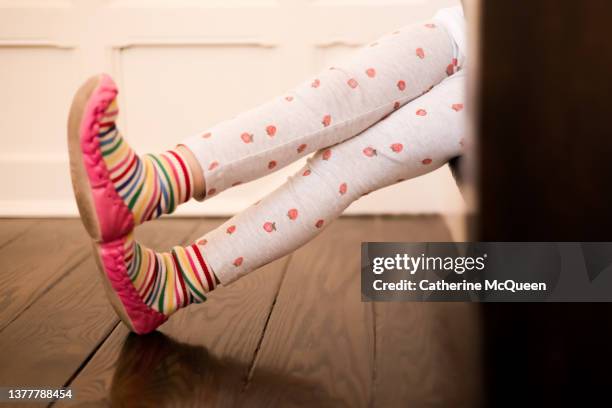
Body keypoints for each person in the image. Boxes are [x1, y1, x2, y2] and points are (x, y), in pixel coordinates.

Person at [67, 6, 467, 334]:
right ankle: (154, 184)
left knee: (348, 164)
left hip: (510, 82)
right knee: (335, 94)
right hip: (466, 25)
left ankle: (170, 281)